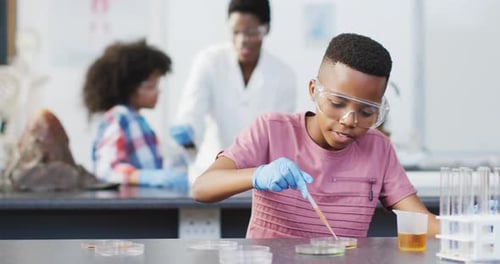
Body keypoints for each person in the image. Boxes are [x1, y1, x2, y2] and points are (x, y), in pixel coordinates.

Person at [191, 33, 440, 238]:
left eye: (366, 111)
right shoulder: (271, 130)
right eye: (337, 103)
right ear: (314, 90)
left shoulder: (379, 149)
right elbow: (202, 188)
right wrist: (257, 174)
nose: (349, 120)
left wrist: (467, 229)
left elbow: (420, 220)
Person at [169, 0, 297, 177]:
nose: (242, 40)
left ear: (266, 28)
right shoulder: (210, 61)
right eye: (235, 32)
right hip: (212, 170)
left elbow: (280, 134)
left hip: (257, 176)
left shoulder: (283, 75)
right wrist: (188, 129)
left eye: (251, 32)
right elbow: (193, 110)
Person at [82, 39, 187, 189]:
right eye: (150, 86)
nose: (158, 91)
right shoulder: (119, 117)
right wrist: (143, 176)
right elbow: (106, 170)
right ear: (128, 88)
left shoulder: (138, 121)